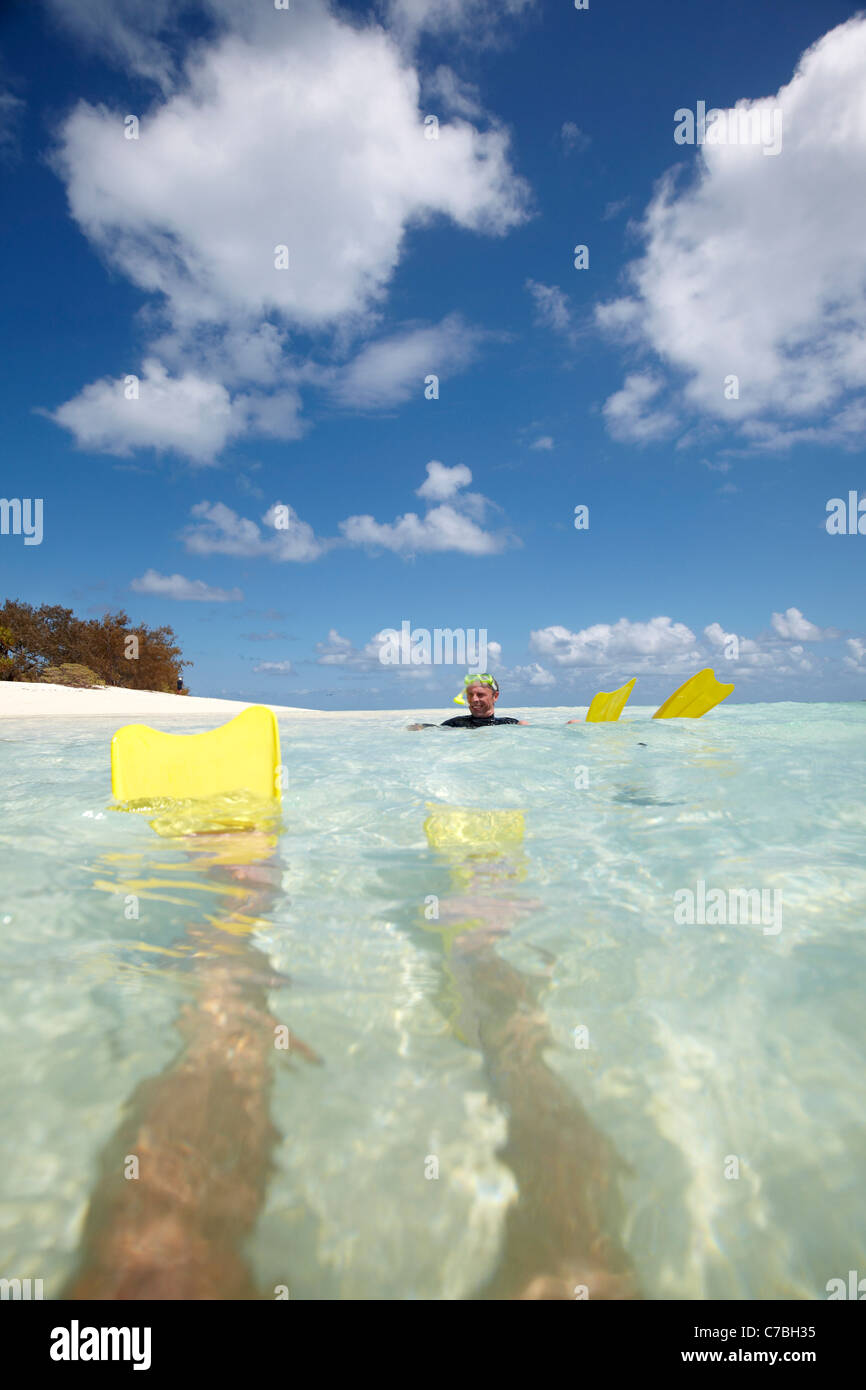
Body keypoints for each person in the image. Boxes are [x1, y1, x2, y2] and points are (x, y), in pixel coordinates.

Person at [406, 674, 528, 729]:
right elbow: (436, 729)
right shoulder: (456, 723)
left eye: (480, 695)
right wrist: (419, 727)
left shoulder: (510, 724)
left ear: (495, 696)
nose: (474, 699)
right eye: (470, 695)